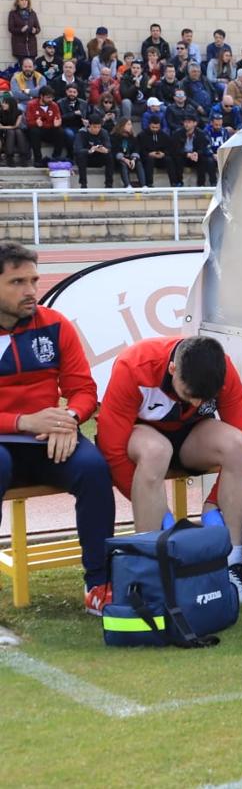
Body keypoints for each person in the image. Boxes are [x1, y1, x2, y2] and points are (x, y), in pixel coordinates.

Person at [95, 336, 242, 604]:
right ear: (172, 369)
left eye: (203, 400)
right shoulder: (133, 366)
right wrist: (160, 511)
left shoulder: (223, 369)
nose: (195, 405)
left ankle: (231, 566)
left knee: (237, 445)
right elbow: (112, 449)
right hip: (143, 437)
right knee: (156, 451)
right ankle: (150, 570)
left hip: (190, 438)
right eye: (188, 395)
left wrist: (214, 502)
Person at [0, 241, 114, 614]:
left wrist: (70, 419)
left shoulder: (55, 324)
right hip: (4, 440)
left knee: (94, 469)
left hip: (51, 440)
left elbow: (83, 390)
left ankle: (100, 583)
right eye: (17, 282)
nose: (31, 290)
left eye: (33, 279)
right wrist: (22, 421)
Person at [74, 117, 114, 189]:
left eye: (99, 127)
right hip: (86, 158)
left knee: (109, 156)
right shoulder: (82, 133)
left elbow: (109, 147)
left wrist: (105, 150)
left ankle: (109, 184)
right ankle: (83, 184)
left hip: (98, 158)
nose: (97, 129)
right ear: (89, 125)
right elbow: (78, 150)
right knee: (81, 156)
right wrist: (89, 150)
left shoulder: (103, 132)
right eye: (94, 127)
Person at [8, 0, 41, 65]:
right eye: (22, 0)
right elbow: (11, 28)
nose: (24, 2)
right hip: (19, 46)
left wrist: (35, 30)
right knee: (23, 68)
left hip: (31, 46)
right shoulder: (13, 13)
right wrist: (20, 30)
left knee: (31, 67)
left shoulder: (32, 13)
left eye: (26, 0)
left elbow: (38, 28)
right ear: (18, 2)